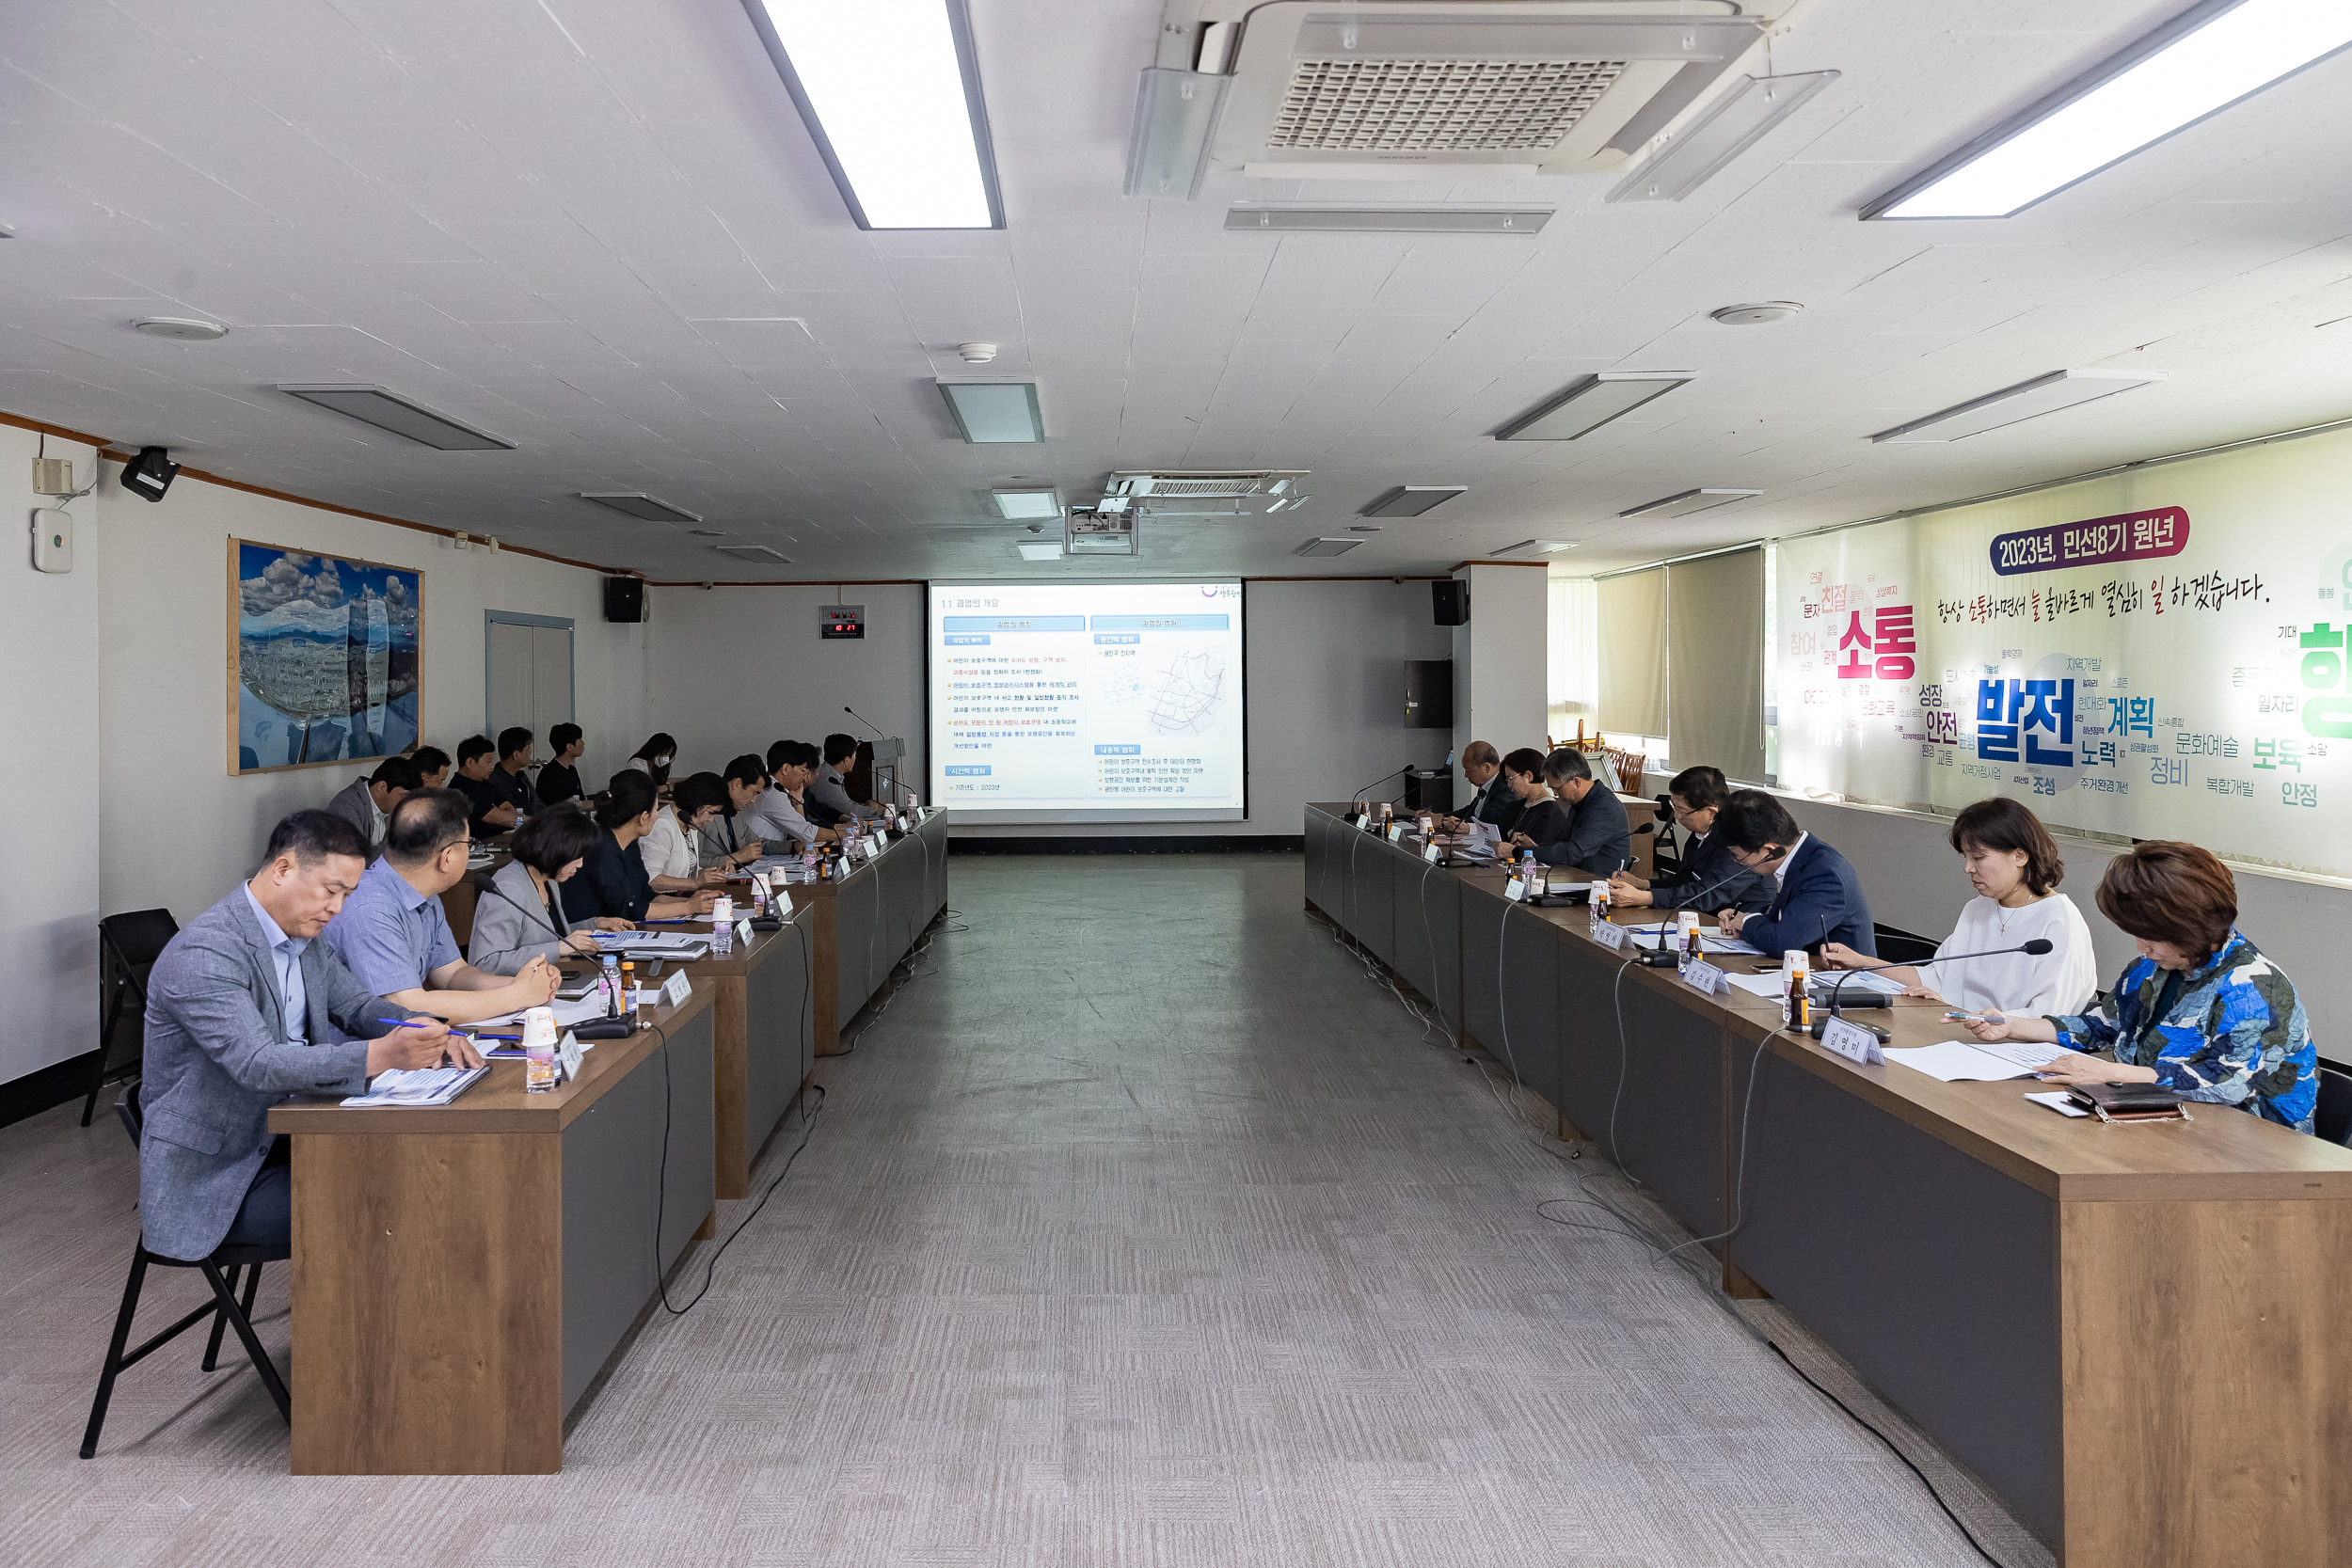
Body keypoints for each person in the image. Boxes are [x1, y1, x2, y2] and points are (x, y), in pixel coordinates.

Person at [134, 810, 474, 1259]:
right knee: (397, 1201)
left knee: (425, 1171)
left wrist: (423, 1029)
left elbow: (358, 1007)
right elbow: (258, 1064)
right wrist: (385, 1055)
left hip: (295, 1134)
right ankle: (369, 1326)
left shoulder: (304, 939)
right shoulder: (207, 952)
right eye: (331, 891)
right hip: (219, 1177)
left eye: (348, 895)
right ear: (282, 869)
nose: (337, 909)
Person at [1962, 841, 2319, 1132]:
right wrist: (2012, 1026)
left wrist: (2111, 1072)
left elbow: (2226, 1082)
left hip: (2253, 1146)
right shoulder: (2151, 968)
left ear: (2191, 925)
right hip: (2160, 1122)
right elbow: (2102, 1024)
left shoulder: (2255, 988)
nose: (2141, 947)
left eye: (2152, 935)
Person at [1819, 797, 2098, 1015]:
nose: (1968, 868)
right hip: (1965, 1035)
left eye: (1978, 857)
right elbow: (1934, 977)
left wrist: (1966, 1016)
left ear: (2020, 855)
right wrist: (1861, 962)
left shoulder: (2059, 920)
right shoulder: (1978, 909)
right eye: (1965, 857)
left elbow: (2049, 1017)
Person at [316, 789, 561, 1033]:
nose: (470, 851)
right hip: (362, 1057)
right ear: (447, 857)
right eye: (469, 844)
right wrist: (514, 997)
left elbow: (454, 974)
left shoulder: (426, 896)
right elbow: (407, 1006)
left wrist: (521, 984)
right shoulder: (370, 907)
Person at [469, 809, 632, 975]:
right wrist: (559, 949)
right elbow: (486, 963)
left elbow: (542, 934)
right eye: (577, 856)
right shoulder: (509, 888)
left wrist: (594, 925)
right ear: (556, 850)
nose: (581, 864)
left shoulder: (548, 879)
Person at [1715, 790, 1876, 958]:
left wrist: (1746, 923)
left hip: (1844, 978)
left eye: (1737, 855)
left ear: (1769, 850)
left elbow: (1782, 943)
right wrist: (1740, 920)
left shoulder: (1824, 875)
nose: (1739, 861)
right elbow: (1783, 924)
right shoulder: (1804, 858)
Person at [1609, 765, 1773, 915]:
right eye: (1674, 807)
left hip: (1743, 920)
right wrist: (1642, 884)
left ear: (1711, 813)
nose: (1676, 817)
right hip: (1706, 915)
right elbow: (1684, 880)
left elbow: (1707, 894)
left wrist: (1644, 898)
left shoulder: (1738, 842)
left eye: (1681, 810)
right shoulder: (1700, 833)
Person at [562, 770, 719, 925]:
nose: (657, 815)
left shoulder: (629, 843)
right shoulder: (602, 848)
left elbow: (646, 895)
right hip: (590, 938)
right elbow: (630, 908)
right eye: (655, 810)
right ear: (644, 817)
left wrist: (697, 902)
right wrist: (687, 907)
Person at [1513, 748, 1632, 879]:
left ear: (1576, 782)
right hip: (1574, 876)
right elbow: (1565, 845)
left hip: (1598, 884)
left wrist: (1519, 853)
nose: (1555, 794)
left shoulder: (1604, 807)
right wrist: (1535, 848)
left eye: (1557, 788)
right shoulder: (1580, 802)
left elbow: (1572, 852)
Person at [640, 771, 730, 892]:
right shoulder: (662, 826)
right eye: (711, 813)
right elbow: (650, 879)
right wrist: (695, 883)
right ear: (697, 804)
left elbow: (684, 873)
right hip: (659, 904)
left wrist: (712, 873)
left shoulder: (689, 823)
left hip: (683, 900)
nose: (711, 820)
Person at [745, 739, 843, 850]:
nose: (804, 776)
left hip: (772, 853)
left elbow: (799, 832)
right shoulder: (772, 792)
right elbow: (806, 833)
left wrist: (798, 803)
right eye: (803, 770)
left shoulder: (780, 789)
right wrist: (846, 833)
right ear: (786, 769)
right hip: (758, 859)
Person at [322, 755, 420, 861]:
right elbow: (355, 859)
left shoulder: (389, 809)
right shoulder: (346, 807)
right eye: (404, 796)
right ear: (382, 787)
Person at [699, 754, 771, 870]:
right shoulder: (703, 812)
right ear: (737, 784)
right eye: (754, 792)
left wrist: (793, 846)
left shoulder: (735, 812)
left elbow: (758, 844)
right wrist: (735, 858)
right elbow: (693, 863)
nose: (753, 800)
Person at [1438, 741, 1517, 835]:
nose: (1465, 775)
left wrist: (1443, 821)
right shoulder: (1487, 785)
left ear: (1487, 768)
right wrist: (1440, 816)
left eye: (1468, 770)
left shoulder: (1505, 788)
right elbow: (1469, 811)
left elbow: (1488, 822)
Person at [809, 734, 884, 824]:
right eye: (855, 755)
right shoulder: (826, 778)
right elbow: (849, 810)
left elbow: (846, 803)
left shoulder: (834, 774)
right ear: (847, 760)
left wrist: (865, 804)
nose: (855, 759)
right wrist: (878, 810)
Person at [450, 736, 517, 835]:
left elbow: (508, 807)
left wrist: (503, 814)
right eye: (488, 761)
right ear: (470, 763)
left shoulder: (483, 782)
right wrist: (526, 820)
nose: (492, 766)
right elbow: (499, 819)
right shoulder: (460, 789)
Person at [536, 723, 586, 807]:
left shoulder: (572, 770)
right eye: (580, 740)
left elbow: (581, 799)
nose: (583, 743)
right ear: (569, 746)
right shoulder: (549, 774)